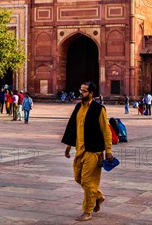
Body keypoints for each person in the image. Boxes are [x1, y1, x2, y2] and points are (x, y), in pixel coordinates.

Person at [62, 81, 113, 222]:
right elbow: (73, 127)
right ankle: (98, 196)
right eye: (81, 90)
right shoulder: (78, 107)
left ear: (91, 94)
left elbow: (105, 130)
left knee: (87, 180)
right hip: (80, 149)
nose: (81, 93)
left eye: (84, 91)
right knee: (78, 178)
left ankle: (87, 211)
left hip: (94, 150)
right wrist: (68, 146)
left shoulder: (99, 109)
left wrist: (108, 150)